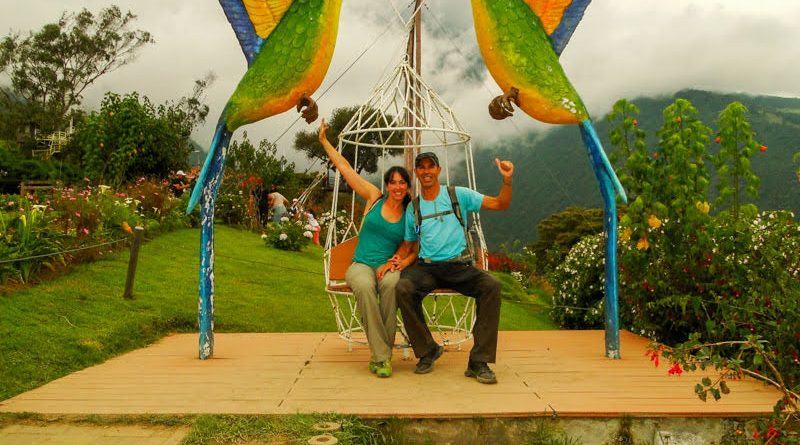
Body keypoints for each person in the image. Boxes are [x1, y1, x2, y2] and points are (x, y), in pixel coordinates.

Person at [395, 151, 514, 384]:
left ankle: (478, 361)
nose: (426, 171)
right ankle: (428, 350)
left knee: (491, 286)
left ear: (439, 170)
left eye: (431, 166)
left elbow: (501, 204)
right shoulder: (414, 208)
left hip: (459, 266)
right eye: (421, 167)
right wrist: (395, 261)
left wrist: (507, 180)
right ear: (416, 172)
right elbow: (410, 245)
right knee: (403, 288)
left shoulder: (457, 195)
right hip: (427, 268)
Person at [319, 119, 414, 378]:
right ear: (386, 185)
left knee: (392, 286)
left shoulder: (409, 214)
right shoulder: (374, 197)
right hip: (360, 264)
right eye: (393, 182)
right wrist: (325, 142)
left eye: (402, 183)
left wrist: (395, 261)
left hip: (388, 266)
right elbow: (345, 169)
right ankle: (383, 357)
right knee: (364, 286)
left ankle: (381, 356)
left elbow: (408, 245)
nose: (397, 187)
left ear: (407, 187)